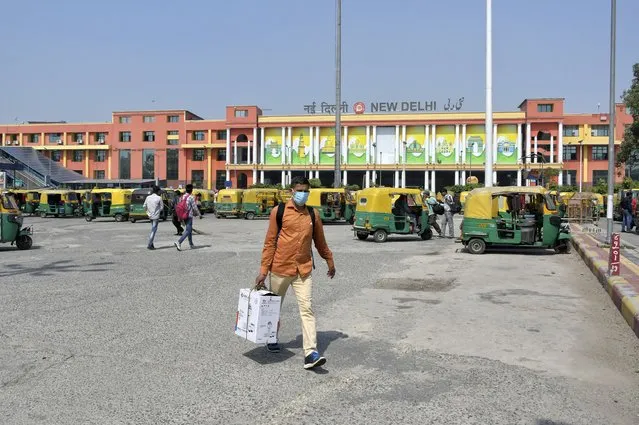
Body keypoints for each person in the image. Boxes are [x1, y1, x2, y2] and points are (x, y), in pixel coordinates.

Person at [255, 176, 336, 370]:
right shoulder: (279, 212)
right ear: (292, 191)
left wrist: (329, 260)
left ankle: (311, 353)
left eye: (306, 191)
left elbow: (320, 241)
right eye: (300, 190)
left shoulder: (312, 214)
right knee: (274, 307)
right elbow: (270, 242)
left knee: (307, 309)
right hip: (280, 269)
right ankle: (272, 337)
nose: (303, 194)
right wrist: (263, 271)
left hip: (303, 270)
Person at [174, 184, 201, 251]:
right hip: (188, 215)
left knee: (189, 230)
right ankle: (179, 242)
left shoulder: (182, 197)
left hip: (182, 215)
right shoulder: (191, 197)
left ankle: (191, 244)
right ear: (191, 190)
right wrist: (199, 214)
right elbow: (194, 207)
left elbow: (179, 206)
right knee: (188, 230)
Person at [143, 185, 164, 250]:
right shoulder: (159, 198)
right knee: (153, 231)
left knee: (153, 229)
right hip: (156, 216)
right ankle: (149, 244)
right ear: (157, 191)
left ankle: (151, 245)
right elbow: (162, 207)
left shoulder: (148, 197)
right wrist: (158, 211)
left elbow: (144, 206)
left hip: (150, 216)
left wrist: (148, 213)